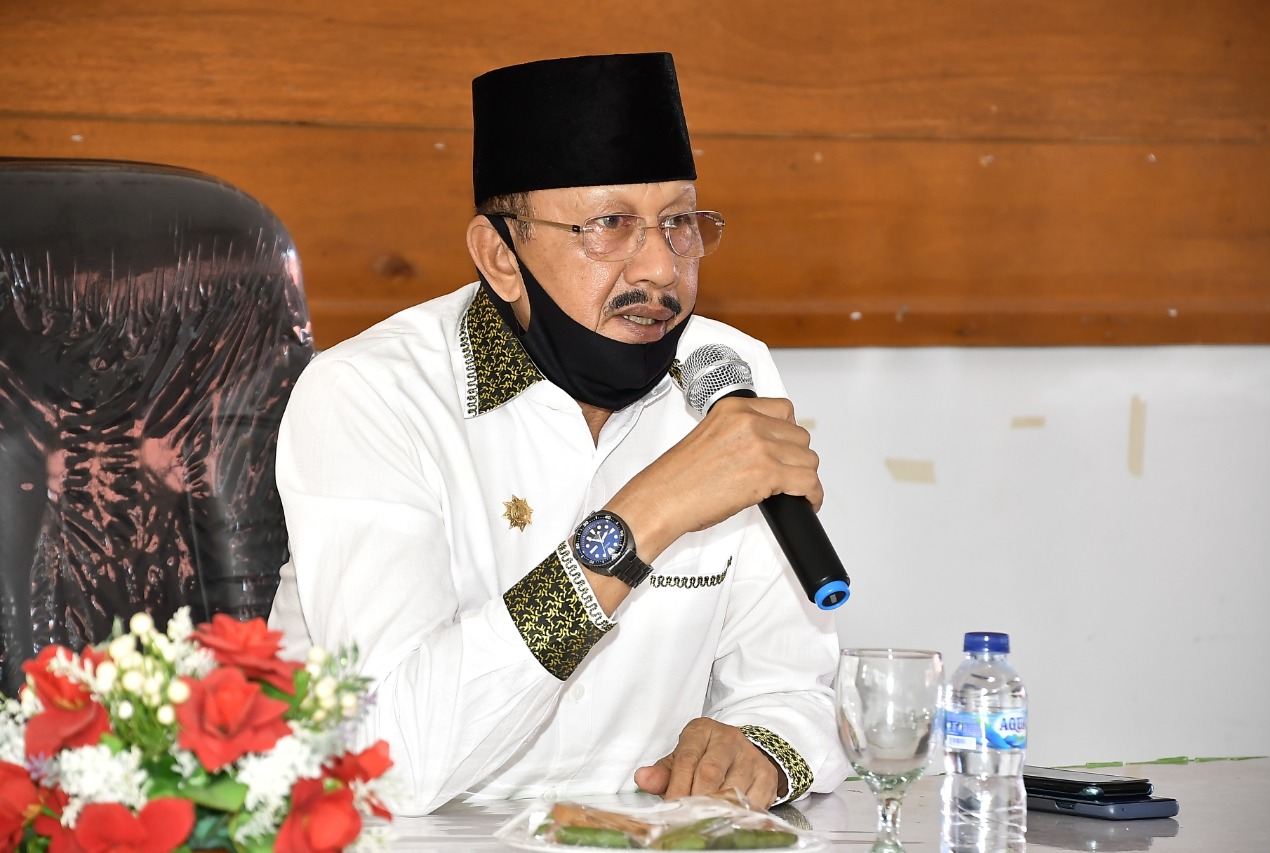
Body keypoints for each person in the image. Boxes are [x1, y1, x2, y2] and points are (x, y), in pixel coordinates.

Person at [268, 52, 847, 816]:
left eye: (678, 223)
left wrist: (758, 747)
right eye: (610, 226)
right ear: (501, 257)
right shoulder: (372, 395)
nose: (661, 268)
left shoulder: (728, 377)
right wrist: (646, 516)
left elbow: (794, 687)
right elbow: (392, 757)